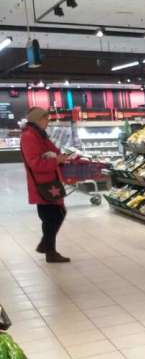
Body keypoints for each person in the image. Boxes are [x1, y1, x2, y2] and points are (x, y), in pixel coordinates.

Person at [20, 107, 70, 263]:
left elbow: (53, 150)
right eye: (46, 119)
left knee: (57, 214)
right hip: (42, 184)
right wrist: (56, 160)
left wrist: (60, 155)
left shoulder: (40, 135)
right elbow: (35, 163)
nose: (48, 122)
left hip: (50, 181)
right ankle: (50, 251)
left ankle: (46, 246)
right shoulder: (29, 137)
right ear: (38, 119)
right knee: (52, 217)